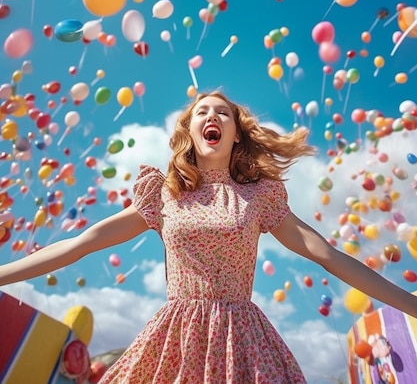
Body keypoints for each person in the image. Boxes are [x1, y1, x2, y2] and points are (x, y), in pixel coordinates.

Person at [1, 90, 417, 383]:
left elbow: (327, 255)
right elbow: (81, 244)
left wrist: (411, 305)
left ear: (237, 134)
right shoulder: (162, 195)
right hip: (175, 339)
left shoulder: (259, 197)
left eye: (223, 113)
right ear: (191, 132)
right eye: (203, 112)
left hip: (244, 344)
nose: (212, 117)